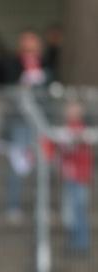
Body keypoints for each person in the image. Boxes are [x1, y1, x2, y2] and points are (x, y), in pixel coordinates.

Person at [3, 30, 51, 223]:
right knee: (17, 166)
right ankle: (13, 206)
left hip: (41, 125)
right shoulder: (13, 65)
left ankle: (41, 207)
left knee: (42, 166)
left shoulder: (46, 66)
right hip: (19, 123)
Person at [43, 101, 94, 254]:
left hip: (79, 177)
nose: (69, 111)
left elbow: (78, 150)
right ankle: (75, 243)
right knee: (71, 211)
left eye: (73, 109)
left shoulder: (82, 130)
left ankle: (81, 244)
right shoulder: (65, 129)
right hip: (69, 176)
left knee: (79, 210)